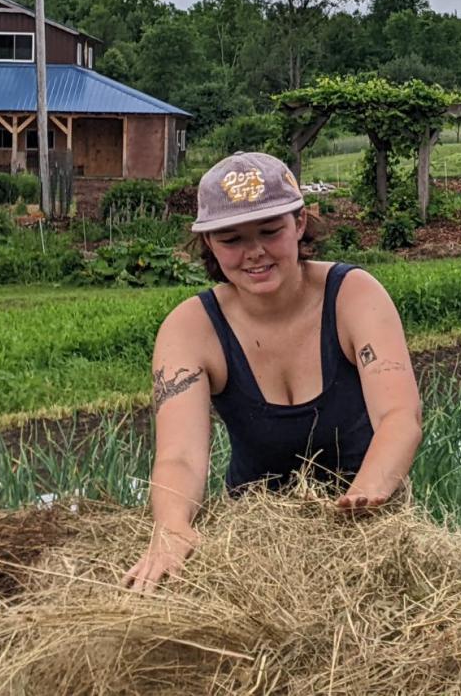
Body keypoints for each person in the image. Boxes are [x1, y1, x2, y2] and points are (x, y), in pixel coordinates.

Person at [122, 152, 423, 593]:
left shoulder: (354, 296)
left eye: (270, 231)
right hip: (258, 542)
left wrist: (359, 508)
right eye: (231, 239)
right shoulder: (190, 329)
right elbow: (180, 456)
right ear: (208, 243)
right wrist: (172, 526)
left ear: (299, 224)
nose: (255, 253)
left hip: (370, 524)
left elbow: (399, 417)